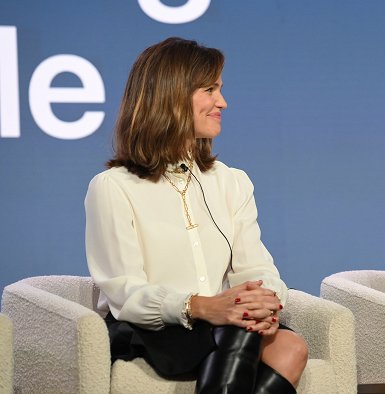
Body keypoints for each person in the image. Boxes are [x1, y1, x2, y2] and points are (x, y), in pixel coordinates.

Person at [85, 37, 308, 394]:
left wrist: (264, 300)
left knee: (290, 345)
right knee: (243, 328)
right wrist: (201, 307)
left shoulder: (232, 182)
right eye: (210, 90)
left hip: (222, 324)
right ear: (171, 95)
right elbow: (125, 294)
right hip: (154, 326)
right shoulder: (113, 186)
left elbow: (256, 268)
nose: (223, 102)